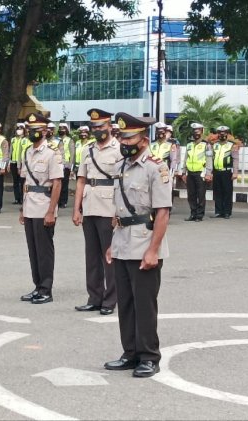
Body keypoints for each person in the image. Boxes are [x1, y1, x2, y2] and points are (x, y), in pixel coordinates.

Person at [103, 112, 171, 378]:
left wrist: (153, 250)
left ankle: (149, 356)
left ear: (143, 138)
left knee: (144, 304)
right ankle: (129, 352)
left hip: (144, 243)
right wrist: (111, 244)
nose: (124, 141)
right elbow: (118, 210)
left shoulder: (156, 167)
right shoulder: (122, 165)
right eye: (121, 136)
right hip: (121, 242)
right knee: (126, 303)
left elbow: (163, 213)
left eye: (129, 137)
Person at [73, 108, 122, 316]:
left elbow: (122, 184)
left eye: (101, 126)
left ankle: (110, 300)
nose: (97, 130)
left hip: (108, 207)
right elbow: (81, 180)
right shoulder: (88, 149)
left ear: (110, 126)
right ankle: (94, 297)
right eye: (94, 127)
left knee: (109, 257)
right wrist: (76, 209)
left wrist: (117, 213)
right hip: (89, 205)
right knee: (91, 256)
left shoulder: (119, 149)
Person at [18, 113, 63, 304]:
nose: (32, 133)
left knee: (44, 250)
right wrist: (22, 208)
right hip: (29, 206)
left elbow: (57, 184)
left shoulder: (52, 153)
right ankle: (37, 286)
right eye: (30, 130)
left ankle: (46, 289)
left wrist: (51, 211)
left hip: (44, 206)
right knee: (33, 250)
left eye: (36, 130)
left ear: (44, 131)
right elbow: (25, 183)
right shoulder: (27, 151)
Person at [182, 122, 213, 222]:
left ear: (202, 132)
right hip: (190, 173)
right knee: (191, 195)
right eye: (195, 131)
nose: (196, 133)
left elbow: (209, 159)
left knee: (200, 195)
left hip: (201, 173)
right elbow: (185, 158)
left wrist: (208, 173)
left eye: (198, 131)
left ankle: (199, 215)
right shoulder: (189, 144)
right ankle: (193, 213)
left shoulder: (206, 145)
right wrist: (183, 172)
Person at [211, 125, 239, 219]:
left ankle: (227, 212)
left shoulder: (232, 145)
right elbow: (211, 158)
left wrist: (235, 172)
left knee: (227, 192)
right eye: (220, 133)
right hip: (216, 171)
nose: (222, 135)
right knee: (217, 192)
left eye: (224, 133)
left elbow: (235, 159)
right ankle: (218, 211)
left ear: (227, 134)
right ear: (218, 134)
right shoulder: (215, 145)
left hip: (226, 172)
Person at [10, 122, 27, 205]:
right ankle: (17, 198)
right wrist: (8, 163)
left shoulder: (25, 139)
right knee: (15, 181)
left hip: (22, 163)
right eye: (18, 128)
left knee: (22, 181)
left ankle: (22, 198)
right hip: (13, 162)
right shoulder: (13, 139)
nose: (19, 130)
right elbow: (11, 151)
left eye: (21, 128)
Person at [58, 122, 75, 209]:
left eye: (63, 128)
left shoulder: (69, 140)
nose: (61, 130)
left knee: (64, 184)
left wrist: (70, 166)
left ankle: (63, 202)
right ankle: (58, 200)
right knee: (58, 184)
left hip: (66, 165)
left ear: (66, 130)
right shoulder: (57, 139)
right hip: (58, 164)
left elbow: (72, 154)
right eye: (60, 128)